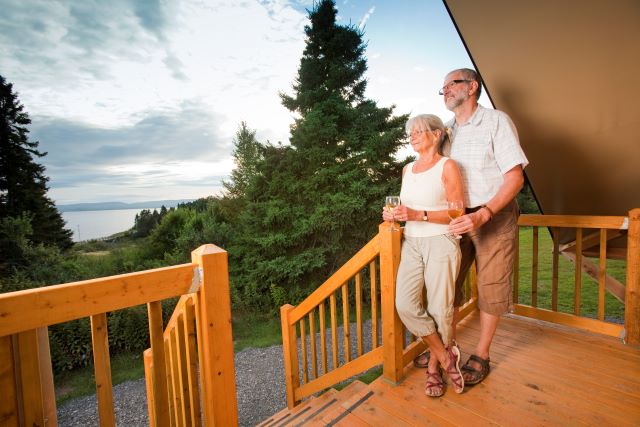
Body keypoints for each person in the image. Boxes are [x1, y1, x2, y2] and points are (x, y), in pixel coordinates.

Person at [413, 68, 529, 385]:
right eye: (443, 87)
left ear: (472, 86)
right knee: (445, 282)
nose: (446, 90)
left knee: (491, 284)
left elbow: (515, 178)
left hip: (495, 213)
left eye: (452, 84)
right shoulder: (446, 132)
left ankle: (482, 354)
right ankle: (443, 349)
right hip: (456, 218)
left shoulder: (497, 122)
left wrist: (485, 212)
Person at [383, 114, 465, 397]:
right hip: (412, 242)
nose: (412, 136)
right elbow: (406, 207)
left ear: (437, 134)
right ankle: (445, 355)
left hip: (441, 242)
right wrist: (392, 215)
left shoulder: (448, 166)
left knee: (441, 309)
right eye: (411, 132)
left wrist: (419, 214)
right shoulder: (408, 169)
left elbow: (458, 212)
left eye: (419, 131)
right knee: (405, 304)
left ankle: (434, 367)